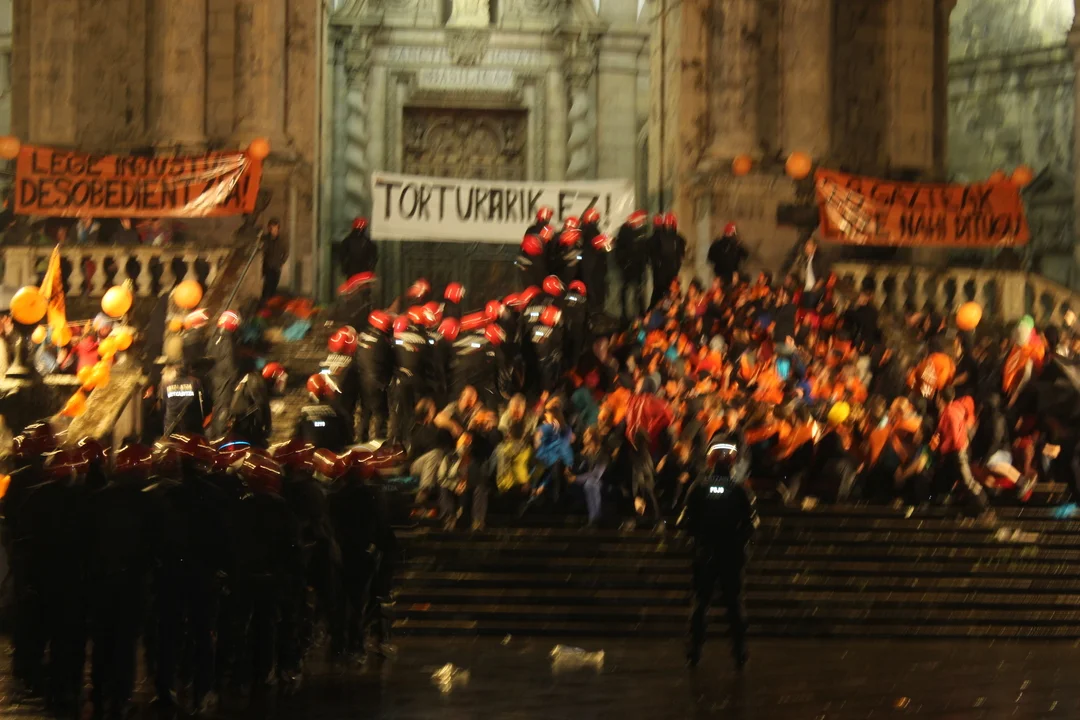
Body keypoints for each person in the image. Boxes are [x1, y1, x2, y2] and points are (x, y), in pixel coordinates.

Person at [679, 436, 757, 670]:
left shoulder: (699, 488)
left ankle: (694, 651)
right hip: (731, 555)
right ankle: (740, 652)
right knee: (734, 605)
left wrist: (697, 540)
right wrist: (739, 543)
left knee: (701, 604)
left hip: (705, 553)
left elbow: (685, 521)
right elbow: (751, 524)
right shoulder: (740, 490)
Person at [208, 311, 242, 438]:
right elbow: (229, 364)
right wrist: (235, 380)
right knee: (223, 409)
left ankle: (214, 435)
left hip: (215, 379)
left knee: (217, 408)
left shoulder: (214, 338)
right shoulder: (228, 341)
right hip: (225, 381)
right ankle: (220, 437)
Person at [615, 211, 650, 321]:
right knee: (626, 289)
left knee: (639, 290)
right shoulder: (625, 231)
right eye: (641, 220)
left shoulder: (641, 231)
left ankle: (641, 312)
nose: (643, 222)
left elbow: (644, 248)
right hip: (628, 267)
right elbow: (619, 250)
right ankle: (624, 314)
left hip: (639, 266)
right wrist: (624, 264)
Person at [649, 213, 686, 309]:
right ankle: (660, 311)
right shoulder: (677, 239)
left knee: (664, 293)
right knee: (666, 293)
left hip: (664, 273)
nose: (667, 226)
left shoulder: (674, 239)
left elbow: (680, 256)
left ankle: (659, 311)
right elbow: (681, 257)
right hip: (666, 272)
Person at [160, 363, 207, 436]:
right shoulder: (195, 382)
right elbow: (202, 404)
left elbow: (163, 405)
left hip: (171, 426)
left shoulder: (167, 383)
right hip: (191, 424)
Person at [261, 218, 288, 302]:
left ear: (278, 228)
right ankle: (265, 302)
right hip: (268, 265)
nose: (273, 230)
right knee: (267, 286)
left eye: (275, 228)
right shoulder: (266, 239)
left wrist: (282, 262)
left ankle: (271, 302)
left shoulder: (282, 239)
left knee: (274, 285)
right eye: (271, 228)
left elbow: (286, 252)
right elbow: (263, 250)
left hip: (276, 266)